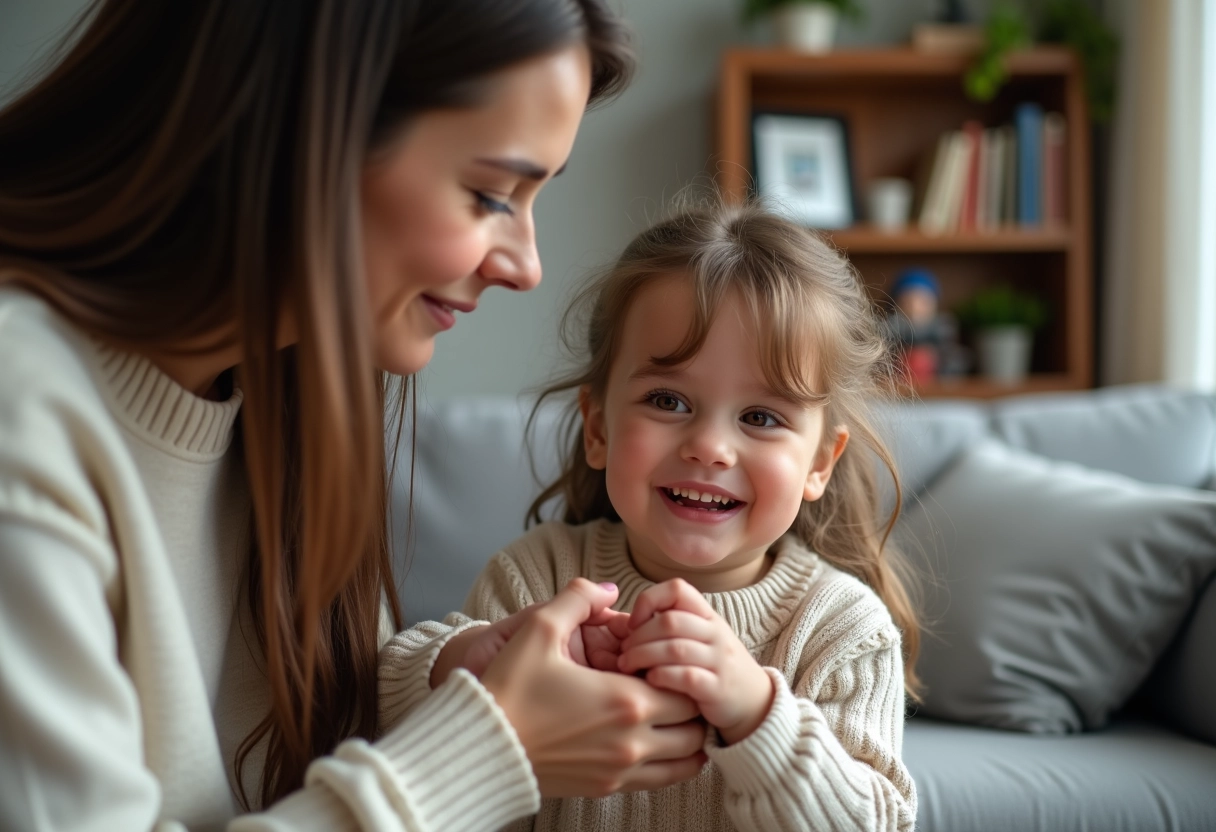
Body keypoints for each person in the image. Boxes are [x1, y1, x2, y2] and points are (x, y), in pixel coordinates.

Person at [0, 2, 711, 830]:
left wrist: (453, 678)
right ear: (296, 131)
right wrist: (490, 748)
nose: (526, 266)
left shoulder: (287, 393)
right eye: (489, 194)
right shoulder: (25, 423)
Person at [423, 200, 922, 831]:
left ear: (820, 463)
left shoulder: (842, 629)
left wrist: (757, 713)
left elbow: (875, 824)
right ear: (598, 427)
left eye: (761, 417)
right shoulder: (532, 582)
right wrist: (463, 663)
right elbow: (443, 772)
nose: (710, 447)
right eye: (668, 400)